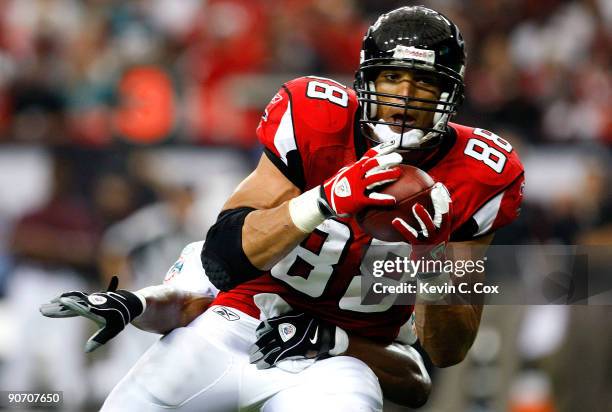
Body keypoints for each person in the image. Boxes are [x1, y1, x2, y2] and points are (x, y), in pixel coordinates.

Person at [42, 6, 524, 411]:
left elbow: (446, 350)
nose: (402, 97)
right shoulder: (317, 118)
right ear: (365, 78)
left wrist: (431, 253)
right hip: (238, 323)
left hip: (340, 361)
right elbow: (222, 257)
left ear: (451, 94)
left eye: (422, 83)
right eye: (391, 77)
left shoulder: (480, 173)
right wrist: (326, 198)